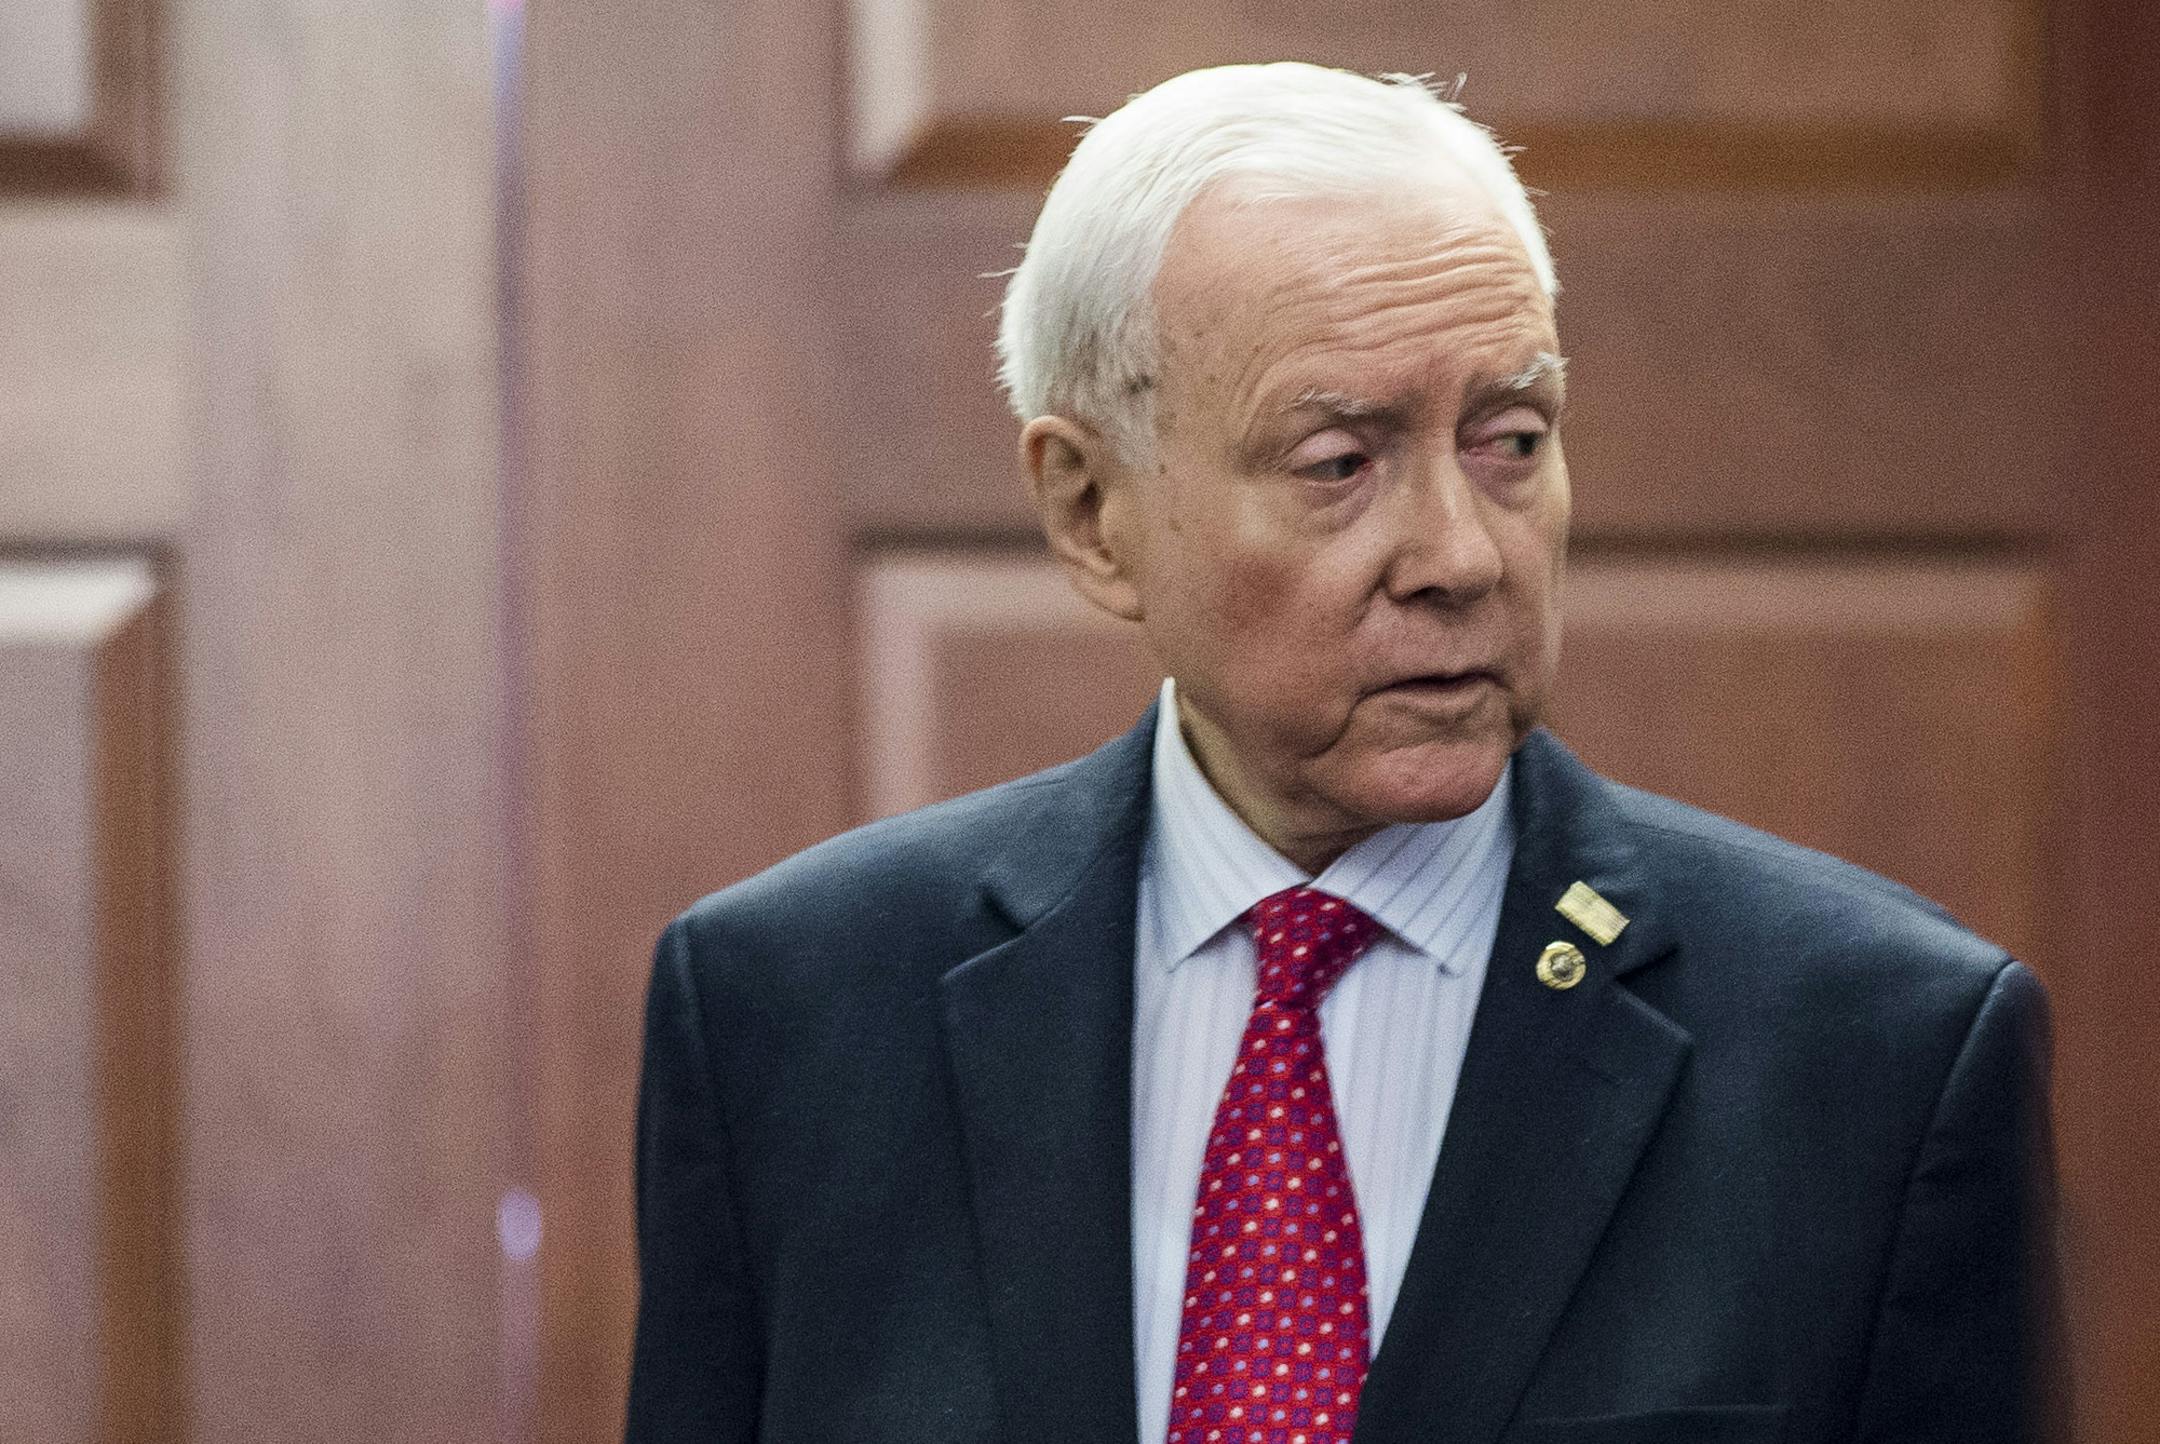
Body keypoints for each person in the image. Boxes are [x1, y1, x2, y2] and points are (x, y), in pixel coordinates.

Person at [625, 63, 2058, 1444]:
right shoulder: (789, 1016)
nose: (1458, 553)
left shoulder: (1880, 1058)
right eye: (1338, 463)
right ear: (1088, 512)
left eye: (1509, 439)